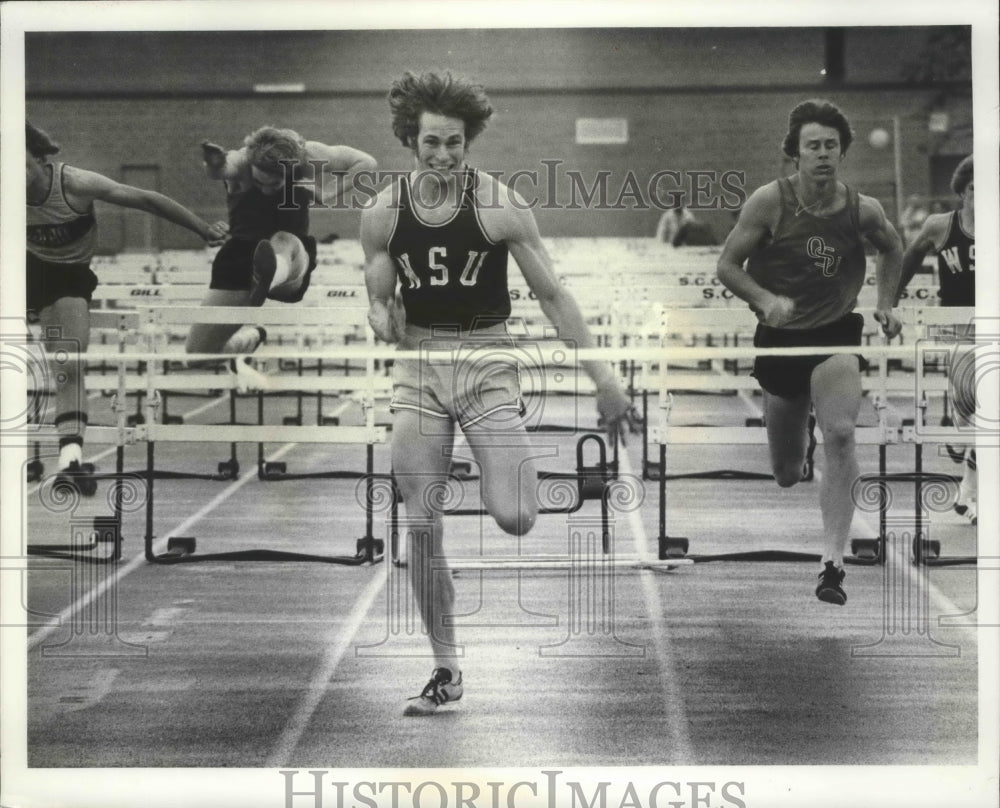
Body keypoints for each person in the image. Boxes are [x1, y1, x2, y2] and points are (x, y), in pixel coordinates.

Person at [362, 71, 639, 715]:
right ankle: (446, 667)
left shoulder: (499, 204)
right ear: (411, 139)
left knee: (516, 515)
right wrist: (380, 317)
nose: (442, 155)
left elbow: (552, 295)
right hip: (420, 367)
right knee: (420, 525)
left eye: (454, 142)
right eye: (430, 142)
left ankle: (485, 457)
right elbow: (378, 297)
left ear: (469, 140)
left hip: (487, 360)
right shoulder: (382, 212)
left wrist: (605, 379)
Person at [716, 99, 903, 605]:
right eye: (812, 146)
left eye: (830, 146)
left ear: (841, 153)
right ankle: (803, 441)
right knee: (786, 474)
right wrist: (763, 299)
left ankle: (832, 564)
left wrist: (885, 303)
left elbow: (893, 248)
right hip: (781, 340)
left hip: (836, 333)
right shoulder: (768, 202)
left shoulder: (863, 209)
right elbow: (728, 265)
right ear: (795, 155)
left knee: (841, 433)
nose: (822, 154)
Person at [26, 120, 228, 494]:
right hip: (24, 269)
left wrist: (202, 229)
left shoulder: (74, 184)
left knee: (68, 362)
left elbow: (147, 200)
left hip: (67, 276)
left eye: (20, 165)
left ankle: (71, 459)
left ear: (38, 158)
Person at [186, 127, 377, 356]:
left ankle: (268, 275)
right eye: (259, 183)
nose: (267, 190)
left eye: (275, 185)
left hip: (291, 256)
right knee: (197, 355)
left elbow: (366, 162)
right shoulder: (242, 160)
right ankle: (253, 336)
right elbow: (223, 168)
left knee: (281, 240)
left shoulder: (310, 157)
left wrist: (327, 193)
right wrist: (214, 163)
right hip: (240, 256)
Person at [896, 155, 975, 524]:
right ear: (961, 193)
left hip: (993, 324)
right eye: (974, 189)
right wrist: (889, 300)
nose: (982, 197)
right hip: (956, 326)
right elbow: (909, 260)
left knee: (988, 414)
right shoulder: (941, 226)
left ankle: (971, 490)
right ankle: (963, 458)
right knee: (966, 408)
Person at [654, 205, 719, 246]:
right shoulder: (666, 216)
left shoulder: (688, 215)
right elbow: (661, 235)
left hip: (685, 247)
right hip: (670, 247)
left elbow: (693, 233)